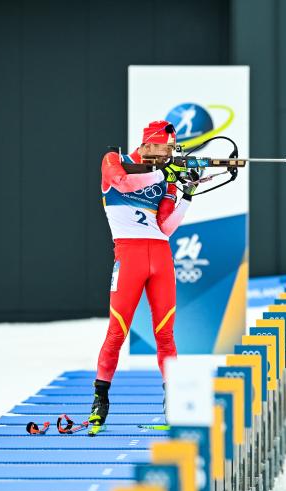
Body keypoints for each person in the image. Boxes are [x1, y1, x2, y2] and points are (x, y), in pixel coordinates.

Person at [89, 120, 199, 434]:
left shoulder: (166, 175)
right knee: (117, 332)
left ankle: (173, 404)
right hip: (129, 256)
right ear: (149, 144)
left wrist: (187, 194)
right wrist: (164, 174)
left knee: (165, 335)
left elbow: (166, 226)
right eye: (166, 148)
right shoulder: (115, 160)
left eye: (172, 150)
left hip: (161, 257)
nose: (170, 154)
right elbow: (122, 183)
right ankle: (100, 400)